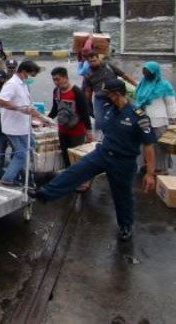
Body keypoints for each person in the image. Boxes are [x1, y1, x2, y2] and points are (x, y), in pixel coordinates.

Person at [29, 79, 157, 242]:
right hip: (103, 153)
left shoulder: (139, 116)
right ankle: (45, 194)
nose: (106, 98)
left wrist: (150, 174)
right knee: (75, 171)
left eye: (108, 94)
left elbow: (148, 145)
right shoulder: (109, 109)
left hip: (123, 161)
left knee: (122, 196)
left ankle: (125, 226)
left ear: (117, 94)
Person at [0, 60, 44, 186]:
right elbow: (0, 101)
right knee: (21, 154)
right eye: (29, 75)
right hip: (13, 127)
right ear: (23, 72)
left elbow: (25, 103)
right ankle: (8, 178)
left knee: (31, 145)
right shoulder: (12, 84)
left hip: (23, 125)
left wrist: (32, 111)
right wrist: (21, 108)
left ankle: (22, 173)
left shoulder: (23, 84)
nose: (29, 78)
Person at [134, 61, 176, 175]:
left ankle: (161, 168)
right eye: (144, 72)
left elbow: (171, 104)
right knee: (145, 144)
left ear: (155, 72)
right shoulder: (142, 84)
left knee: (159, 146)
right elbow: (137, 101)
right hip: (143, 120)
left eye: (148, 72)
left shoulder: (164, 85)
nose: (145, 74)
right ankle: (148, 165)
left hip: (159, 120)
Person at [48, 67, 94, 167]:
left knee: (75, 159)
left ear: (65, 77)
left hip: (76, 132)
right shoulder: (56, 91)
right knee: (65, 156)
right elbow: (55, 110)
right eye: (53, 79)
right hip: (62, 130)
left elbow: (84, 113)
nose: (56, 82)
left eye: (58, 79)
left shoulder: (77, 92)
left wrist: (89, 132)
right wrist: (45, 120)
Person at [82, 53, 137, 134]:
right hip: (100, 98)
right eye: (90, 62)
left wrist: (136, 85)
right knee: (100, 122)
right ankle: (103, 139)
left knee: (128, 115)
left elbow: (125, 76)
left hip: (117, 95)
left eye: (94, 61)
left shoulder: (109, 66)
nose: (92, 63)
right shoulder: (87, 75)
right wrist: (89, 108)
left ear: (98, 59)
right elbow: (88, 93)